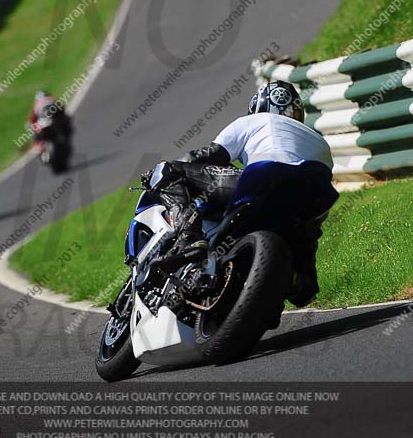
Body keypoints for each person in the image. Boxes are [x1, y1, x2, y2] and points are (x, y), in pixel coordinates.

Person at [143, 80, 338, 307]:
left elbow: (206, 156)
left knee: (169, 170)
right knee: (306, 287)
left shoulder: (251, 121)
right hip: (313, 195)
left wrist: (156, 174)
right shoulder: (320, 141)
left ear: (256, 107)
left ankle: (188, 239)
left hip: (263, 176)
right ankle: (298, 281)